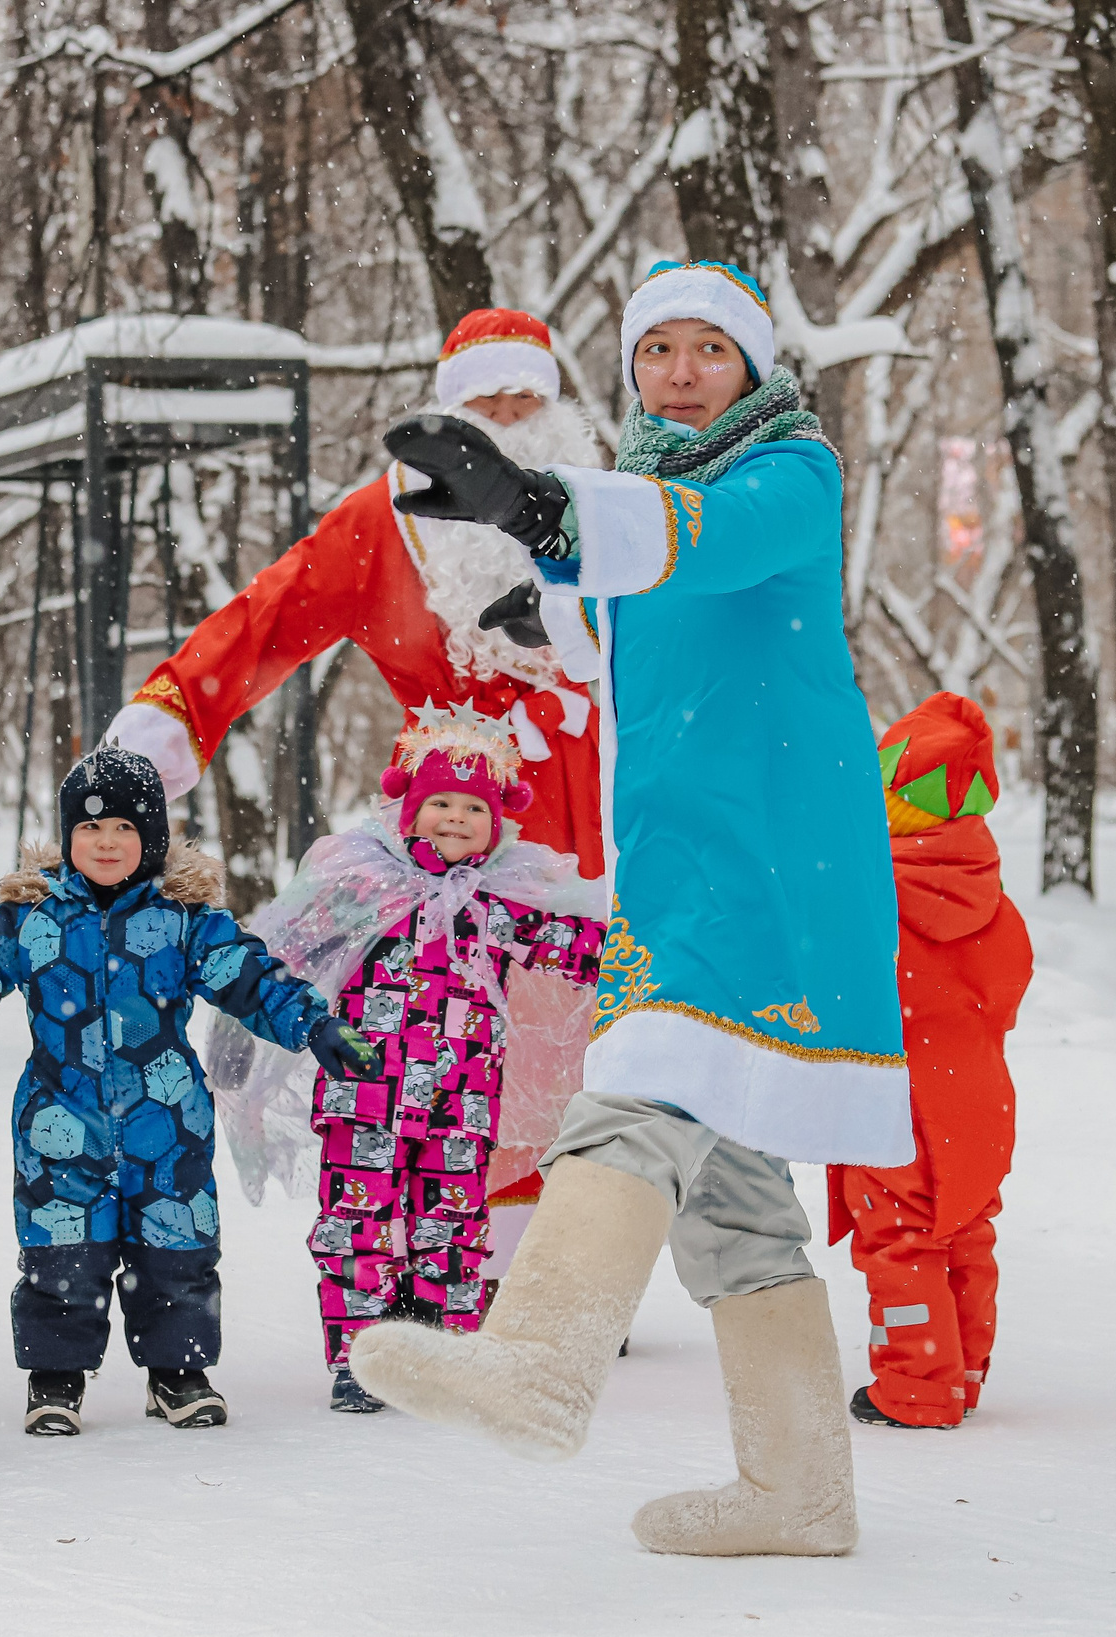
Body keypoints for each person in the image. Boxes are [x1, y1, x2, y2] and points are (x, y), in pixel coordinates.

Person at [349, 259, 914, 1558]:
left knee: (642, 1085)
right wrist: (540, 585)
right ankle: (800, 1491)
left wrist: (548, 505)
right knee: (737, 1192)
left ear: (753, 367)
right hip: (681, 871)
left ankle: (543, 1357)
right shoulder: (653, 497)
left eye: (705, 349)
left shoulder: (789, 475)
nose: (677, 372)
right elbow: (613, 630)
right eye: (655, 351)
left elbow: (694, 542)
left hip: (769, 870)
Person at [109, 308, 611, 1217]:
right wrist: (177, 708)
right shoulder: (384, 522)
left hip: (610, 807)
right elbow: (272, 613)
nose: (510, 410)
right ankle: (476, 1243)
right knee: (466, 1033)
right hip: (454, 821)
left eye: (527, 394)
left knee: (595, 1036)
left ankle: (578, 1255)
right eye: (487, 398)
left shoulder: (602, 505)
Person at [0, 749, 380, 1438]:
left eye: (125, 831)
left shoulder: (183, 918)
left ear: (153, 840)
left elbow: (249, 978)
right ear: (68, 834)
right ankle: (56, 1376)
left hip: (166, 1124)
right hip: (59, 1122)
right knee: (60, 1254)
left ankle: (178, 1372)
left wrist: (312, 1024)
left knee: (178, 1250)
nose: (107, 843)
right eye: (91, 828)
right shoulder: (32, 916)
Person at [219, 705, 602, 1412]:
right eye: (440, 804)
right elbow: (290, 940)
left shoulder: (506, 898)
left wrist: (646, 953)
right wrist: (262, 1003)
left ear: (498, 822)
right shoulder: (367, 881)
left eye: (473, 808)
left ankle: (437, 1346)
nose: (456, 818)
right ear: (410, 811)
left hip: (463, 1094)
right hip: (365, 1084)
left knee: (452, 1222)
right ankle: (364, 1353)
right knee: (358, 1218)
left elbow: (584, 950)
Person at [831, 692, 1033, 1430]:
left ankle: (915, 1386)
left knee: (900, 1237)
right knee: (967, 1232)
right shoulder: (991, 890)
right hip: (979, 1096)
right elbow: (1009, 982)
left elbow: (840, 987)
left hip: (900, 1102)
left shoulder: (874, 893)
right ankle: (964, 1370)